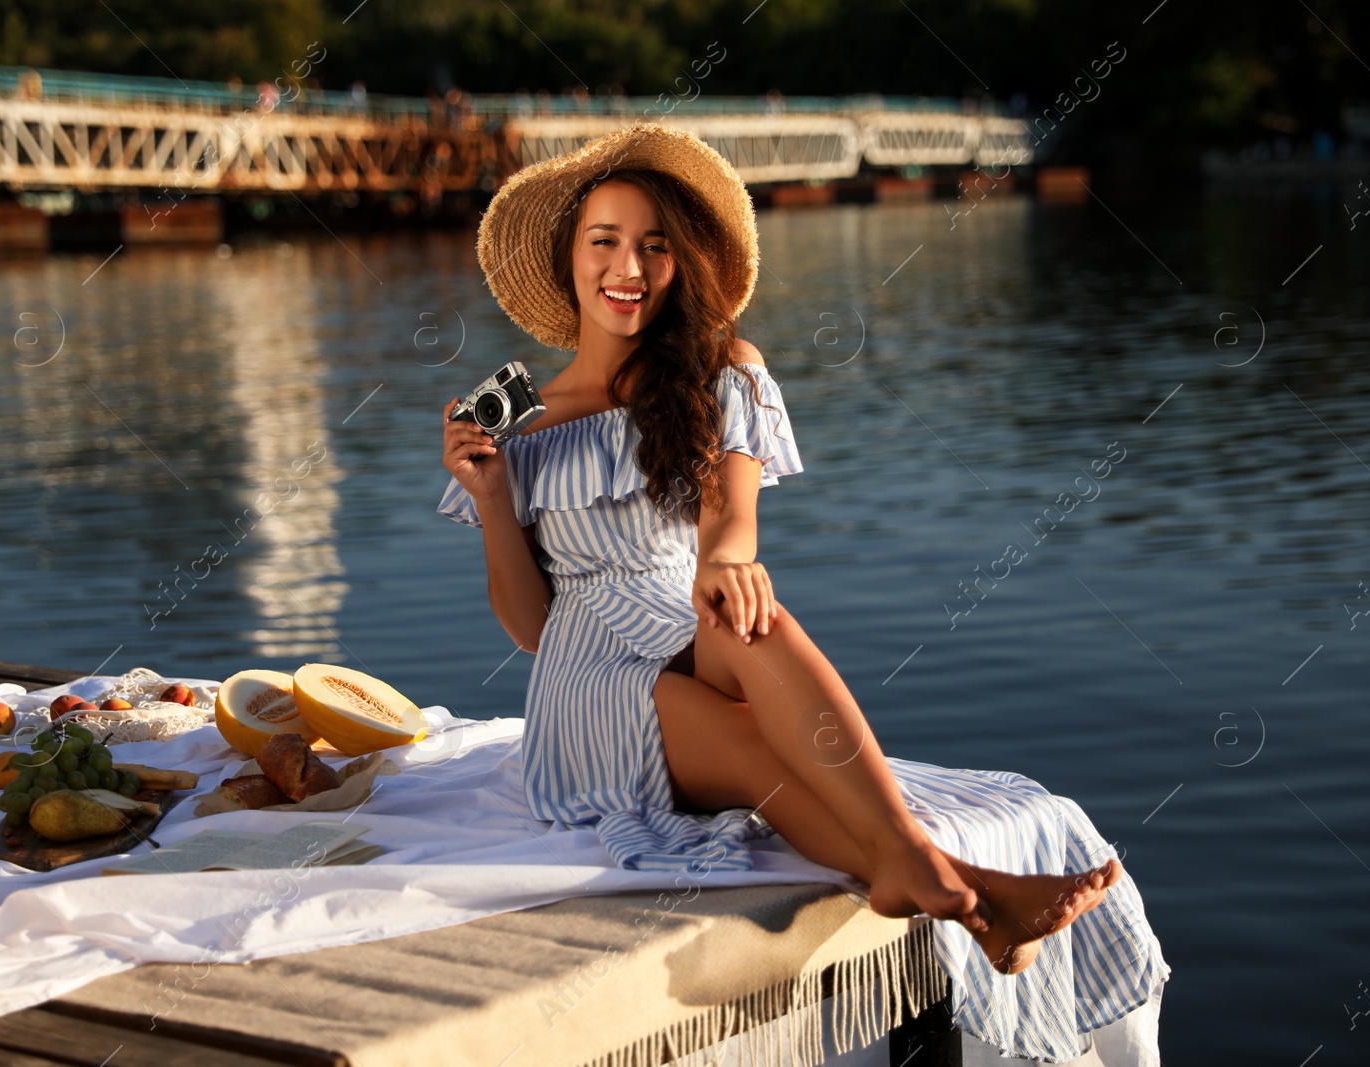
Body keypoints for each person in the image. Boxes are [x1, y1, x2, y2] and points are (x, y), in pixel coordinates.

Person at [437, 126, 1164, 1034]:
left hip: (690, 617)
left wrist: (728, 564)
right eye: (606, 241)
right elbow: (532, 629)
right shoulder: (527, 429)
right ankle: (962, 888)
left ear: (681, 263)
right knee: (752, 750)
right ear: (567, 259)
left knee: (750, 617)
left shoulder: (719, 371)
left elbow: (729, 520)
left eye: (655, 244)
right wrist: (495, 497)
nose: (630, 266)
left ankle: (918, 869)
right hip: (590, 681)